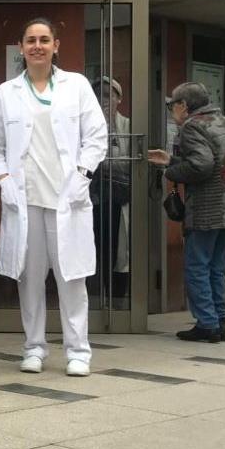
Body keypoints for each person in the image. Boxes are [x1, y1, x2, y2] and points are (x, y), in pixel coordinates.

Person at [0, 17, 107, 377]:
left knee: (72, 278)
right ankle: (34, 347)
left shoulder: (77, 86)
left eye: (44, 40)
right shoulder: (6, 92)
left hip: (67, 198)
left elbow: (96, 137)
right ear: (21, 48)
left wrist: (83, 175)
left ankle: (78, 351)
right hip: (26, 200)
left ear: (56, 45)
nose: (37, 46)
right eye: (30, 40)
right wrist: (4, 179)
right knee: (30, 277)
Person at [147, 82, 225, 343]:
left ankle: (207, 323)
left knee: (197, 266)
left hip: (208, 208)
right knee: (216, 266)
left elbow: (201, 165)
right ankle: (219, 321)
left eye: (173, 105)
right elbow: (212, 159)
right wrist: (170, 159)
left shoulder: (192, 126)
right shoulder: (223, 122)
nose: (172, 111)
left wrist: (170, 172)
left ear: (183, 105)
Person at [92, 77, 131, 306]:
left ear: (119, 99)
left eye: (109, 95)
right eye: (99, 95)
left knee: (120, 251)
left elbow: (129, 162)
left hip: (120, 197)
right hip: (94, 196)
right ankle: (97, 301)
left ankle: (117, 301)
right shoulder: (87, 123)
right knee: (96, 248)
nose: (103, 101)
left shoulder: (127, 125)